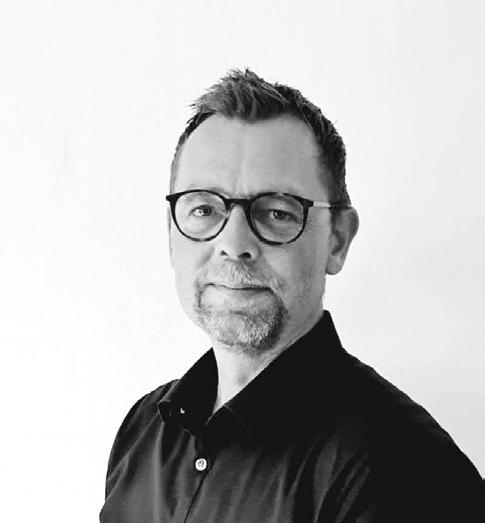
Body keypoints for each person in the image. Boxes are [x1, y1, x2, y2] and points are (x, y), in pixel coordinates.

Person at [100, 69, 483, 522]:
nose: (234, 242)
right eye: (203, 208)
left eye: (277, 213)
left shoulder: (404, 468)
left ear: (337, 240)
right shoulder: (143, 431)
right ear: (171, 233)